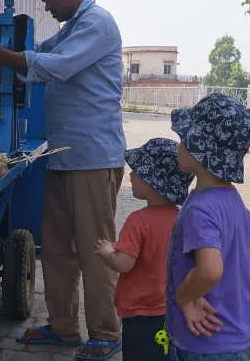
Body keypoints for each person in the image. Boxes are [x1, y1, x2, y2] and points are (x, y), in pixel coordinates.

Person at [0, 0, 126, 360]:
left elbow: (57, 66)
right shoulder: (69, 30)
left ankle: (106, 332)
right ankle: (64, 326)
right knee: (55, 247)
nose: (47, 6)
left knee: (96, 249)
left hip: (92, 156)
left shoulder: (97, 24)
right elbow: (37, 56)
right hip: (64, 154)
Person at [166, 93, 250, 361]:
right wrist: (237, 284)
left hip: (203, 343)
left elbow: (210, 270)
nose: (179, 147)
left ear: (201, 151)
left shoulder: (200, 209)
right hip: (236, 339)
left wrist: (186, 297)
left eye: (184, 140)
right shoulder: (232, 199)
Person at [95, 138, 194, 361]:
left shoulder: (138, 221)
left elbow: (124, 263)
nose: (131, 175)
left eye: (137, 171)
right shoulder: (184, 218)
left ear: (153, 183)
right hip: (172, 309)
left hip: (139, 312)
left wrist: (107, 252)